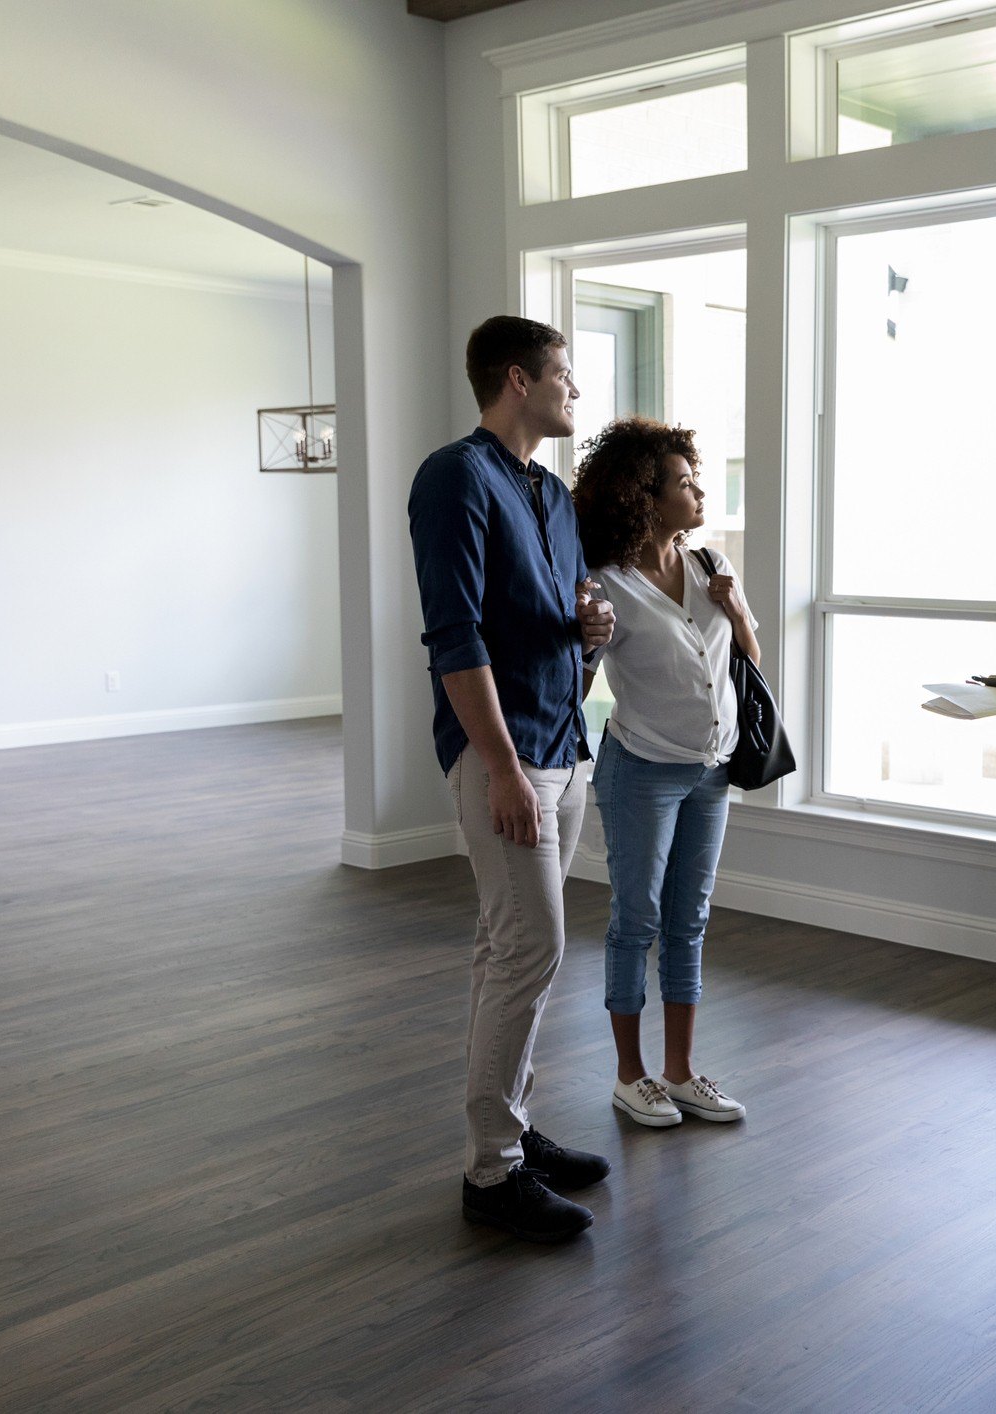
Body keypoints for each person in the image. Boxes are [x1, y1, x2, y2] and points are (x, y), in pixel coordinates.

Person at [408, 315, 618, 1245]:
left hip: (564, 745)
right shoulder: (455, 476)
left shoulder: (553, 494)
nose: (574, 390)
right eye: (563, 375)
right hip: (508, 757)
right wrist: (498, 767)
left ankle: (513, 1135)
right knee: (530, 948)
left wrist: (592, 629)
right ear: (515, 379)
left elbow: (553, 617)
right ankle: (491, 1173)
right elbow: (455, 636)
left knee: (510, 950)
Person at [571, 418, 756, 1129]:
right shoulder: (608, 581)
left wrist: (737, 609)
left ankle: (680, 1073)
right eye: (683, 482)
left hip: (710, 771)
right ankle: (630, 1076)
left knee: (690, 922)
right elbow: (580, 678)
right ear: (645, 498)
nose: (698, 490)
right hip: (642, 769)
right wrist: (582, 633)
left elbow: (749, 663)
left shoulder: (711, 565)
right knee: (636, 920)